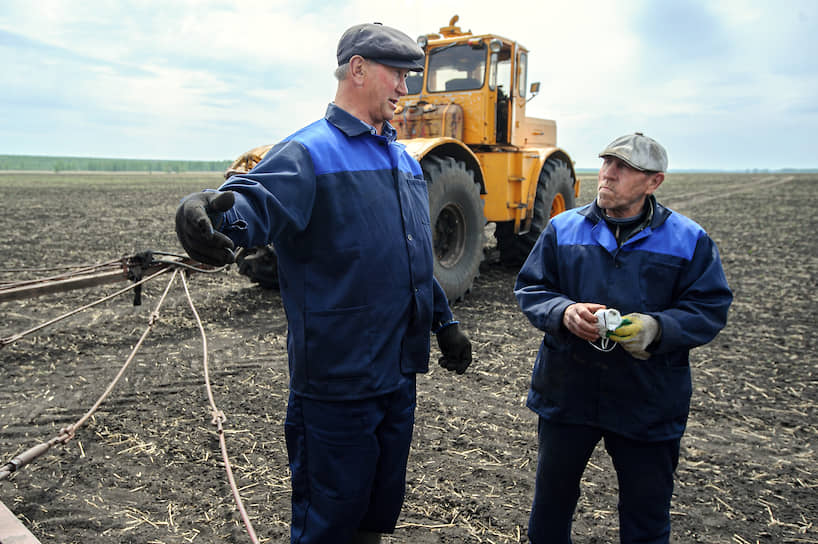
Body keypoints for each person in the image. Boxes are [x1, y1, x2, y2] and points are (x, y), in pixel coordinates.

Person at [174, 22, 473, 544]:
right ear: (357, 69)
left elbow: (411, 259)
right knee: (328, 522)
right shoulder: (309, 152)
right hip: (338, 383)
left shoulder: (402, 159)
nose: (405, 88)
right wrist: (205, 216)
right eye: (396, 74)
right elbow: (250, 203)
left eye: (408, 75)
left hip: (398, 375)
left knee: (378, 511)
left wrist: (443, 323)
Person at [514, 132, 733, 544]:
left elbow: (709, 307)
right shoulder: (563, 229)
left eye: (624, 167)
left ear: (654, 182)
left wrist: (657, 329)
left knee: (646, 517)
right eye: (607, 163)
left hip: (647, 399)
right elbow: (531, 289)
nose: (608, 174)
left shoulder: (688, 240)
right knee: (550, 506)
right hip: (568, 393)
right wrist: (564, 312)